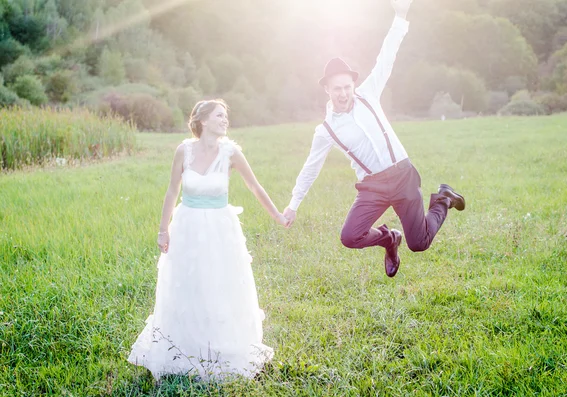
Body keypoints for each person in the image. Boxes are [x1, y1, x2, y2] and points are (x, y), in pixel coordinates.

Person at [282, 0, 465, 278]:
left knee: (419, 243)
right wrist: (293, 205)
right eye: (337, 89)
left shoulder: (368, 95)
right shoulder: (326, 130)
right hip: (373, 187)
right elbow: (311, 167)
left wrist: (400, 16)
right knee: (349, 237)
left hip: (402, 174)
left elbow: (387, 56)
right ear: (327, 91)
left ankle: (442, 199)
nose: (343, 93)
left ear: (353, 85)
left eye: (347, 87)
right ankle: (389, 239)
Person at [128, 99, 288, 380]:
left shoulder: (232, 153)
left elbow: (255, 186)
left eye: (226, 115)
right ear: (202, 121)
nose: (225, 120)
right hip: (187, 226)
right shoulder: (183, 150)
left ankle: (223, 346)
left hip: (220, 229)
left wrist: (277, 215)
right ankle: (184, 347)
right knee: (189, 283)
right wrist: (163, 230)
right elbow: (171, 191)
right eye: (219, 115)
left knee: (219, 283)